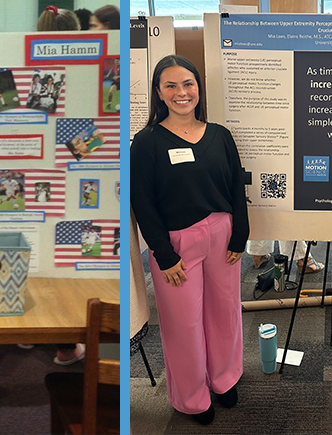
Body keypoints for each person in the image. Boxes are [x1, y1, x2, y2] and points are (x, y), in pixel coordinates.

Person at [131, 54, 248, 426]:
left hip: (222, 237)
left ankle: (224, 378)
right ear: (158, 92)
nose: (181, 92)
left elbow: (236, 186)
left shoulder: (220, 135)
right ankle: (193, 397)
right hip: (176, 245)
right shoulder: (146, 142)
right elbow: (142, 202)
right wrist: (163, 255)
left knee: (225, 313)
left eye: (188, 84)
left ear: (198, 87)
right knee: (184, 324)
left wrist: (240, 234)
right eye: (171, 85)